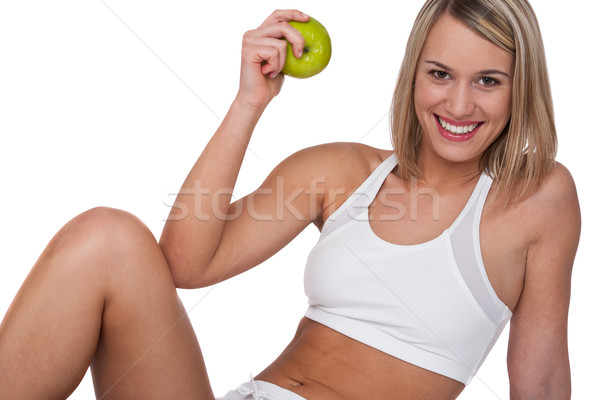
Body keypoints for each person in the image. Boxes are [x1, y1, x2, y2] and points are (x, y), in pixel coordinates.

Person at [0, 0, 580, 399]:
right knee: (106, 237)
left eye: (487, 81)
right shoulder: (340, 170)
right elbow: (186, 262)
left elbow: (543, 381)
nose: (458, 105)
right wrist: (251, 100)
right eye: (440, 73)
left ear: (519, 87)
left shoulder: (539, 198)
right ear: (413, 77)